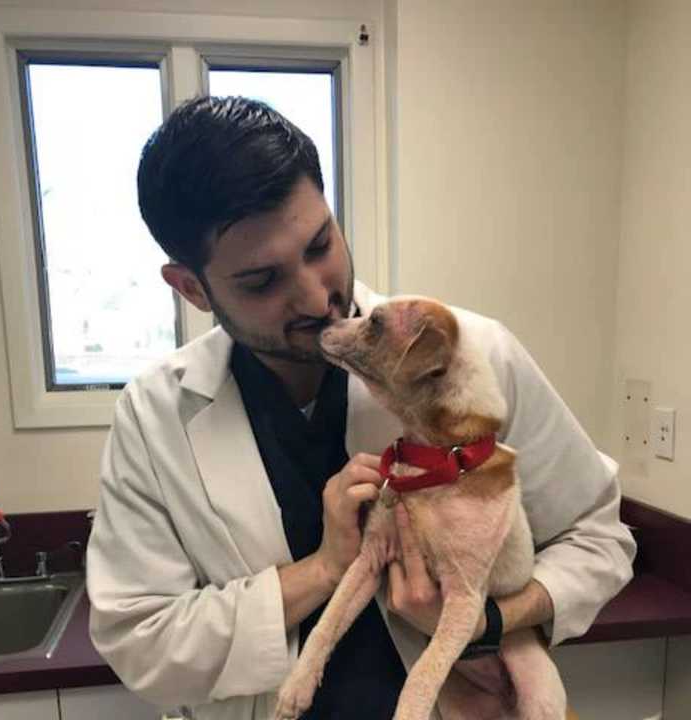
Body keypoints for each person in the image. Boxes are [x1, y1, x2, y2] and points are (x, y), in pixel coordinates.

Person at [86, 95, 636, 720]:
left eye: (321, 244)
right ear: (191, 287)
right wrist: (323, 570)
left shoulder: (467, 360)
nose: (318, 297)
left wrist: (490, 619)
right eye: (263, 282)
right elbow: (140, 639)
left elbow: (598, 537)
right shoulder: (154, 414)